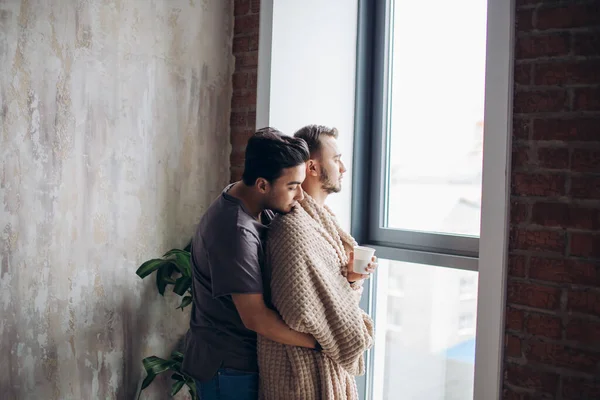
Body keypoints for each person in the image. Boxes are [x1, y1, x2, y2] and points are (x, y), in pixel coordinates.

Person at [182, 127, 320, 400]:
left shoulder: (252, 202)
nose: (301, 196)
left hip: (237, 363)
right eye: (292, 186)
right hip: (229, 367)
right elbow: (255, 317)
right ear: (262, 184)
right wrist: (318, 343)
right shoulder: (235, 232)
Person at [258, 125, 377, 400]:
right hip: (302, 378)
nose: (343, 168)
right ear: (312, 167)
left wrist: (351, 279)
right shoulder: (293, 229)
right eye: (336, 159)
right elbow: (300, 308)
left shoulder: (323, 221)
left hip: (323, 366)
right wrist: (349, 326)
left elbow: (328, 296)